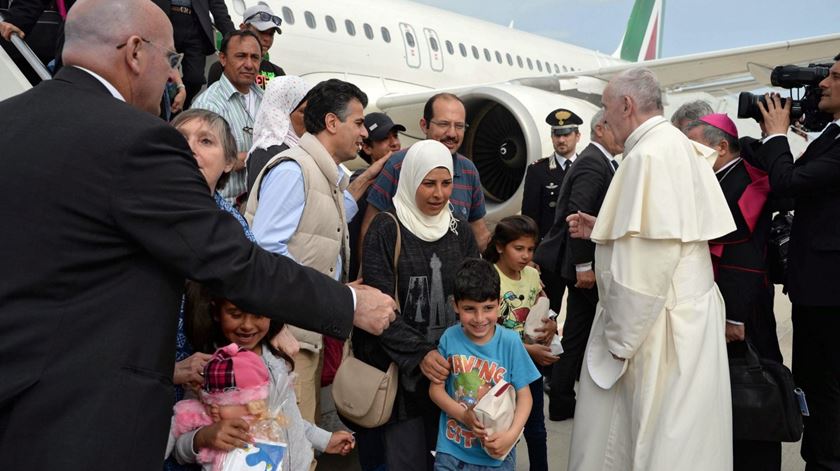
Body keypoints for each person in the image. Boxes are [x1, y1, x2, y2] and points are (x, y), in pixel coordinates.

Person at [0, 2, 395, 469]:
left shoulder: (10, 120)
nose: (174, 78)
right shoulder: (138, 139)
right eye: (170, 60)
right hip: (85, 420)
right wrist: (347, 304)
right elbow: (232, 261)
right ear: (133, 52)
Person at [565, 67, 736, 471]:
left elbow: (641, 273)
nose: (602, 120)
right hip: (687, 313)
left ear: (626, 105)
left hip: (659, 328)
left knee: (650, 439)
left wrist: (617, 345)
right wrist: (604, 231)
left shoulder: (647, 155)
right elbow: (659, 233)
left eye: (606, 109)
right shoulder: (672, 142)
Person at [247, 79, 386, 426]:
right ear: (331, 122)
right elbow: (265, 250)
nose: (364, 133)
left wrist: (365, 180)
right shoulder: (294, 170)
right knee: (290, 447)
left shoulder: (319, 174)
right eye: (358, 122)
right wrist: (334, 295)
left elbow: (319, 226)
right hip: (287, 339)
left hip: (304, 335)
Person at [355, 139, 480, 471]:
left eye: (446, 183)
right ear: (410, 180)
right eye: (428, 184)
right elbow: (378, 310)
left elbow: (475, 296)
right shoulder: (386, 228)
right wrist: (420, 354)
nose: (439, 194)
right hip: (402, 383)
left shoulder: (460, 231)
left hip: (453, 377)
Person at [747, 53, 840, 470]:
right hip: (815, 287)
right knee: (813, 384)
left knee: (826, 388)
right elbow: (786, 192)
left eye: (835, 77)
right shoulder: (830, 137)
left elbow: (788, 182)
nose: (823, 83)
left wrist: (777, 135)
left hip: (830, 291)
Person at [683, 113, 784, 470]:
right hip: (722, 300)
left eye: (696, 147)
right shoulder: (721, 178)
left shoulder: (744, 184)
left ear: (722, 147)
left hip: (742, 306)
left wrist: (734, 315)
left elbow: (744, 255)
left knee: (753, 391)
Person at [171, 292, 354, 471]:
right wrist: (202, 437)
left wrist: (324, 440)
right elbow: (179, 447)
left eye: (258, 314)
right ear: (217, 312)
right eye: (235, 314)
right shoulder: (212, 369)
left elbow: (285, 418)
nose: (247, 325)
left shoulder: (275, 358)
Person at [533, 108, 623, 421]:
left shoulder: (596, 161)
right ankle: (572, 396)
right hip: (580, 265)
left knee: (575, 333)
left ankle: (561, 400)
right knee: (600, 328)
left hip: (577, 263)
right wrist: (584, 265)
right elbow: (577, 215)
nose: (622, 134)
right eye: (616, 127)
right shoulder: (594, 164)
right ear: (601, 129)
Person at [430, 258, 539, 471]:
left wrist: (511, 436)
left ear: (499, 303)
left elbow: (525, 396)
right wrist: (463, 416)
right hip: (450, 451)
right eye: (470, 309)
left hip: (496, 457)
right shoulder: (449, 338)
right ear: (455, 305)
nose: (479, 318)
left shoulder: (510, 342)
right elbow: (435, 391)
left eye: (488, 307)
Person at [360, 93, 491, 251]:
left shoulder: (468, 171)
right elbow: (369, 230)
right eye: (443, 124)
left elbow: (480, 236)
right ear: (424, 125)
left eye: (459, 126)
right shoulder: (398, 165)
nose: (452, 133)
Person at [482, 215, 557, 471]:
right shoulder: (488, 276)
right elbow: (488, 330)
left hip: (527, 367)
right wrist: (531, 351)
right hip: (497, 367)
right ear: (500, 246)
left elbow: (543, 308)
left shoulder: (533, 277)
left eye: (530, 249)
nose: (526, 256)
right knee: (501, 423)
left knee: (535, 427)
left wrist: (552, 325)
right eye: (519, 248)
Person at [521, 108, 583, 318]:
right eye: (557, 135)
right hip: (550, 258)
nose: (562, 139)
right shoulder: (538, 170)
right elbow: (530, 217)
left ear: (577, 136)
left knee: (581, 315)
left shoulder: (588, 167)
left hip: (580, 255)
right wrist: (531, 255)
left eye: (566, 134)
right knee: (546, 313)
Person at [191, 29, 263, 205]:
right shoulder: (208, 105)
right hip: (223, 210)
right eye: (241, 56)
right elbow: (204, 163)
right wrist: (257, 155)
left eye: (255, 57)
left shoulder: (265, 100)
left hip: (258, 208)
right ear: (222, 59)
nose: (249, 64)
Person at [348, 112, 406, 281]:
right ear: (366, 147)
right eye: (384, 138)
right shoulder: (359, 186)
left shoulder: (405, 180)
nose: (394, 143)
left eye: (395, 136)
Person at [245, 75, 310, 193]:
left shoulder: (295, 146)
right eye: (303, 111)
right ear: (282, 112)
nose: (310, 117)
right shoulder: (268, 152)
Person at [167, 0, 235, 107]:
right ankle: (166, 108)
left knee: (196, 79)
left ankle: (179, 105)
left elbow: (218, 8)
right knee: (163, 75)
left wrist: (234, 37)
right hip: (166, 19)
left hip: (195, 24)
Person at [207, 3, 285, 90]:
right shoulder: (221, 68)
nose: (267, 39)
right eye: (261, 32)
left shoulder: (278, 73)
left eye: (271, 34)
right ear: (243, 28)